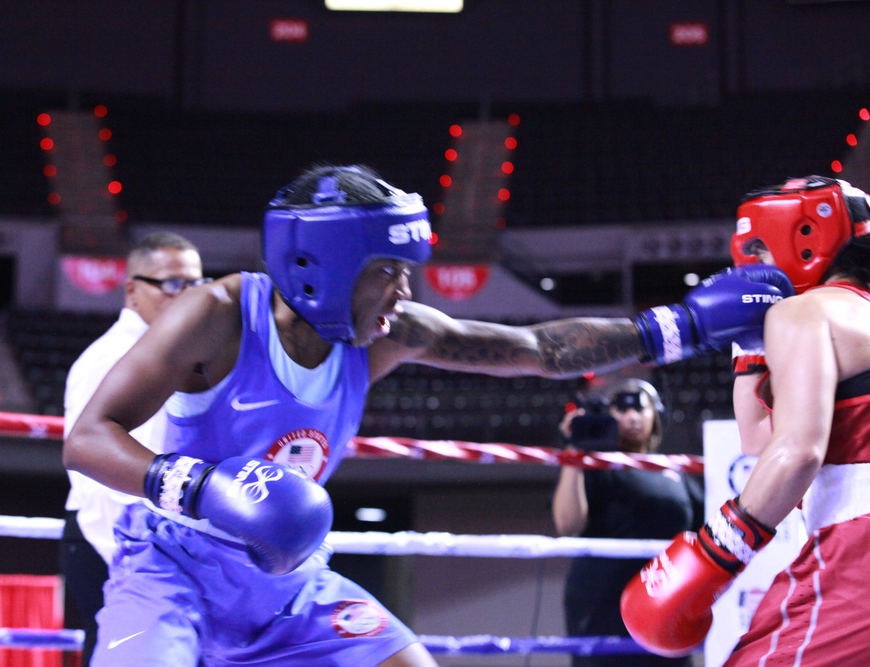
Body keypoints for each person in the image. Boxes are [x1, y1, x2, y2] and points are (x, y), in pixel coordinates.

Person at [63, 164, 792, 667]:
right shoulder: (217, 315)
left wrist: (679, 327)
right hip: (173, 569)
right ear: (323, 265)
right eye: (388, 269)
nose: (404, 289)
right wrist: (199, 485)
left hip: (289, 586)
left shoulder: (388, 332)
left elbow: (534, 346)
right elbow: (88, 438)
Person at [621, 175, 870, 665]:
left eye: (758, 247)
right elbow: (761, 440)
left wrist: (716, 555)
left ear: (803, 240)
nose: (753, 263)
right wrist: (751, 346)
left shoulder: (805, 312)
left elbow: (796, 451)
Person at [60, 231, 205, 666]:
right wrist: (131, 565)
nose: (189, 296)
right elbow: (95, 472)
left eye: (197, 284)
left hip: (152, 550)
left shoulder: (171, 353)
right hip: (114, 545)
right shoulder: (113, 358)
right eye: (174, 284)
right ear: (132, 290)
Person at [553, 378, 703, 667]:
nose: (632, 416)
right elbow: (568, 525)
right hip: (602, 601)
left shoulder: (675, 471)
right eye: (621, 408)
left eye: (640, 408)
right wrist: (574, 449)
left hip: (665, 602)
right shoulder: (594, 466)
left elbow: (702, 535)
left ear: (656, 416)